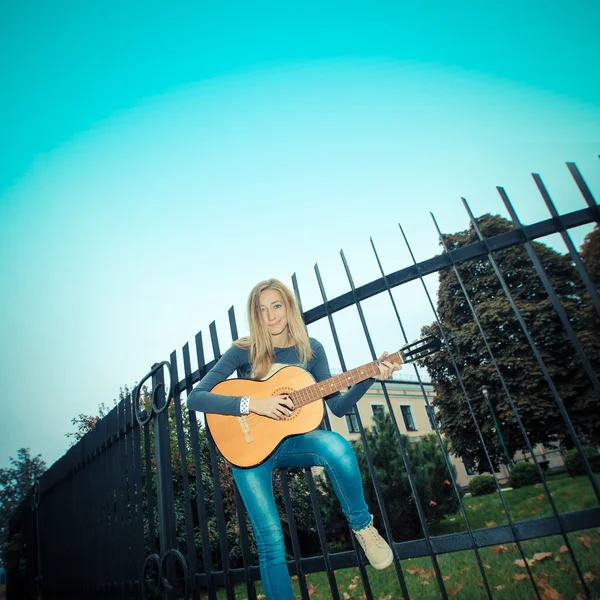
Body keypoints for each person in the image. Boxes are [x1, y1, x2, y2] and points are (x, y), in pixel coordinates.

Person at [187, 278, 400, 600]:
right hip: (248, 451)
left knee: (337, 447)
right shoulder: (243, 350)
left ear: (289, 307)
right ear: (255, 315)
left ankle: (362, 526)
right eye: (262, 309)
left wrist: (369, 375)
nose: (271, 315)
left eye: (277, 305)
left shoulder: (310, 351)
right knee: (270, 540)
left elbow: (339, 407)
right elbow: (196, 398)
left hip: (290, 443)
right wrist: (254, 403)